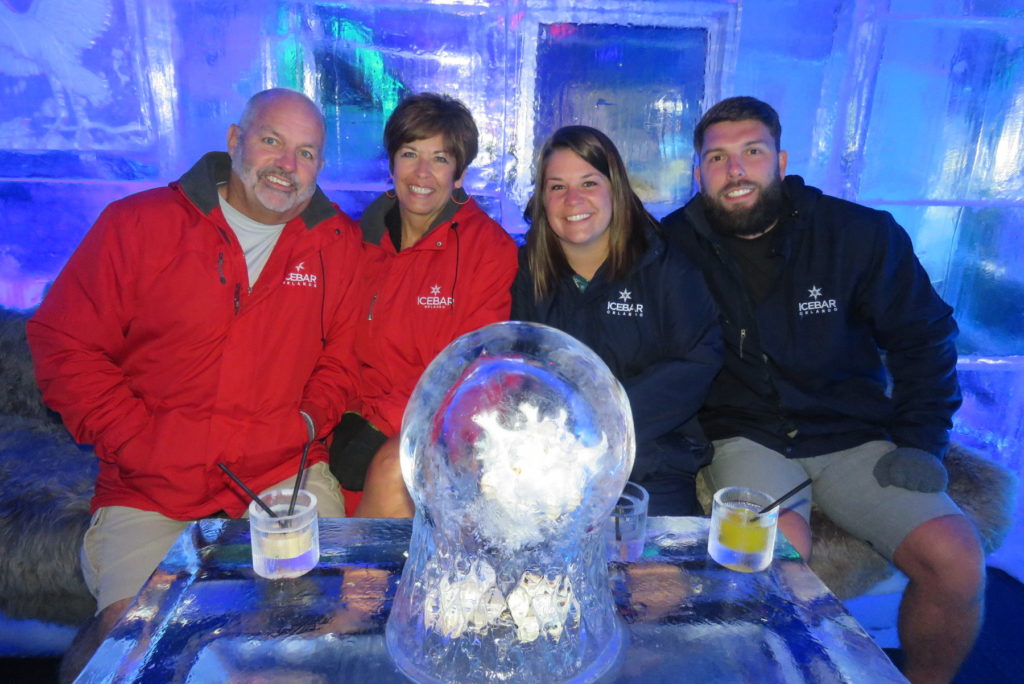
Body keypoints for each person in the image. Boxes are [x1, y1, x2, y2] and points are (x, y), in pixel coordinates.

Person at [27, 88, 362, 682]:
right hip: (152, 485)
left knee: (310, 644)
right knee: (129, 648)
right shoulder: (140, 225)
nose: (287, 165)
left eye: (306, 152)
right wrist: (137, 440)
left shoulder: (335, 242)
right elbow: (65, 344)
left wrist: (304, 424)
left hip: (282, 476)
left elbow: (344, 357)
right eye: (271, 141)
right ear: (234, 141)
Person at [662, 96, 984, 684]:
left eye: (751, 152)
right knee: (778, 556)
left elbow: (924, 336)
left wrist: (920, 439)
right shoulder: (671, 246)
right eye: (717, 158)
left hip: (852, 433)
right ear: (699, 171)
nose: (735, 171)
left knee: (957, 560)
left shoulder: (858, 234)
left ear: (780, 159)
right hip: (746, 434)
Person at [511, 125, 722, 515]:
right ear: (542, 199)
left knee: (657, 575)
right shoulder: (526, 273)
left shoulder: (666, 267)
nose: (573, 199)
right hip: (553, 465)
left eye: (589, 182)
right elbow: (518, 371)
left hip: (650, 465)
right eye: (557, 187)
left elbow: (698, 360)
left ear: (616, 190)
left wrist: (603, 416)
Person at [329, 92, 518, 517]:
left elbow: (472, 369)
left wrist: (381, 424)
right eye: (410, 154)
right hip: (354, 420)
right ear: (391, 163)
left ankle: (366, 584)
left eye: (439, 158)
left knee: (391, 470)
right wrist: (335, 418)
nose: (421, 173)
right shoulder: (358, 241)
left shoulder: (487, 250)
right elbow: (336, 345)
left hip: (443, 422)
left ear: (459, 174)